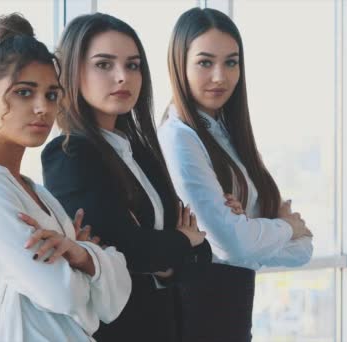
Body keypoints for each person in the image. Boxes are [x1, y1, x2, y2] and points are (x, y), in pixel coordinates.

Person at [41, 13, 239, 341]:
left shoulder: (141, 152)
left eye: (133, 65)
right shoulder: (68, 154)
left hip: (166, 326)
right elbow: (123, 251)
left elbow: (200, 254)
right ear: (73, 72)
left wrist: (172, 250)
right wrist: (180, 243)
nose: (123, 77)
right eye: (104, 65)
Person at [0, 13, 131, 342]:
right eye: (24, 93)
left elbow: (115, 297)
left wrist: (80, 254)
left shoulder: (34, 191)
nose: (43, 107)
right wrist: (91, 264)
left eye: (52, 95)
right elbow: (65, 296)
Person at [158, 7, 314, 341]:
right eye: (205, 62)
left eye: (231, 62)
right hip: (197, 315)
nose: (220, 76)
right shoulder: (179, 137)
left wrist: (250, 235)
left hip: (232, 315)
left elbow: (303, 250)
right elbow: (233, 244)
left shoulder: (228, 135)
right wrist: (285, 227)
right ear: (179, 64)